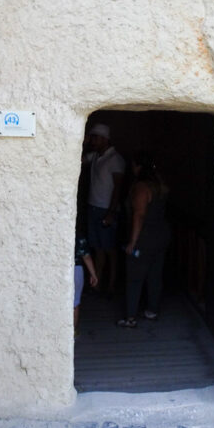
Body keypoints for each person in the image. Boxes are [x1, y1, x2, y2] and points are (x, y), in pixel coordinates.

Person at [117, 151, 171, 328]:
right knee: (155, 275)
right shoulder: (160, 185)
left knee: (134, 277)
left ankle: (130, 317)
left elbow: (139, 215)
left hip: (144, 237)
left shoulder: (141, 187)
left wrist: (132, 242)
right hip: (161, 235)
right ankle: (152, 310)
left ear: (138, 166)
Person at [82, 123, 125, 294]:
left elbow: (118, 188)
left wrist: (111, 213)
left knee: (110, 250)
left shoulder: (115, 159)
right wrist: (83, 143)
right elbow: (78, 160)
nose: (93, 140)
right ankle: (97, 281)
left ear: (105, 139)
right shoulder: (95, 156)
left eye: (95, 137)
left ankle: (112, 284)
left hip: (106, 210)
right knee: (98, 248)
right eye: (92, 137)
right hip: (93, 207)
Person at [74, 233, 98, 336]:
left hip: (62, 269)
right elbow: (86, 257)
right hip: (77, 269)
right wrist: (93, 274)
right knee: (75, 303)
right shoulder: (79, 238)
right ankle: (73, 331)